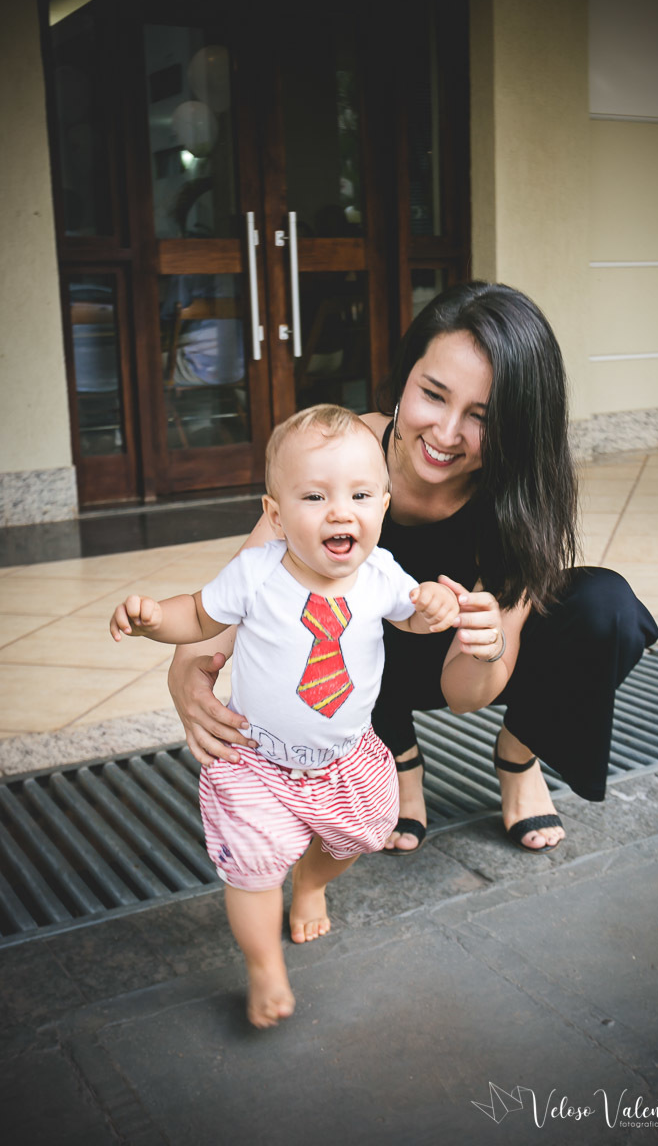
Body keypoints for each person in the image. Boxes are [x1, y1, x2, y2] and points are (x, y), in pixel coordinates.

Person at [167, 281, 658, 860]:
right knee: (329, 601)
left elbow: (463, 695)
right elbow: (241, 584)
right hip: (360, 658)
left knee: (607, 608)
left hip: (458, 662)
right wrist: (186, 674)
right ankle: (396, 757)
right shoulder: (344, 453)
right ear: (406, 377)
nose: (445, 434)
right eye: (433, 394)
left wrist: (487, 646)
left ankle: (519, 754)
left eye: (481, 417)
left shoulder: (520, 498)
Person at [109, 405, 460, 1027]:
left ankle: (313, 882)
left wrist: (431, 607)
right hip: (256, 760)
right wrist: (154, 620)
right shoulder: (257, 574)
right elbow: (198, 615)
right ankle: (264, 966)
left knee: (361, 835)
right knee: (252, 871)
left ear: (383, 505)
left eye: (359, 495)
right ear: (275, 514)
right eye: (315, 497)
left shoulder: (380, 574)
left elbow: (410, 616)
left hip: (346, 758)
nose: (340, 512)